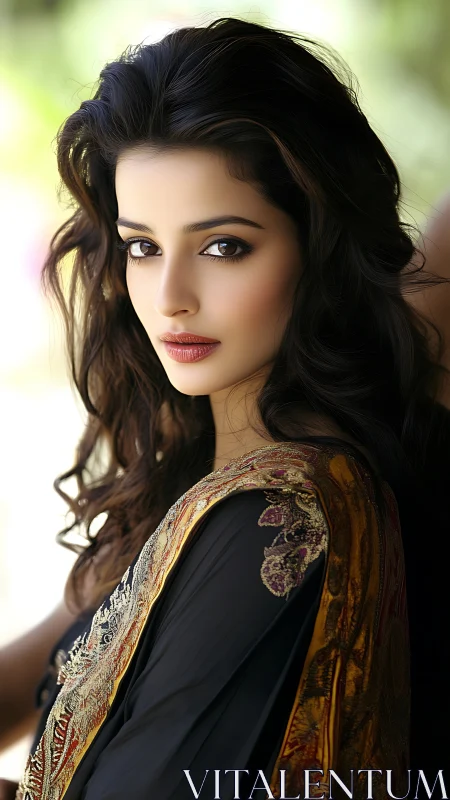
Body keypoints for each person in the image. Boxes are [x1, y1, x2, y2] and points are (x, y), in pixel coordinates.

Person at [1, 15, 449, 800]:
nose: (170, 298)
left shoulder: (276, 519)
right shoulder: (192, 484)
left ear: (319, 245)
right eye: (142, 245)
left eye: (223, 246)